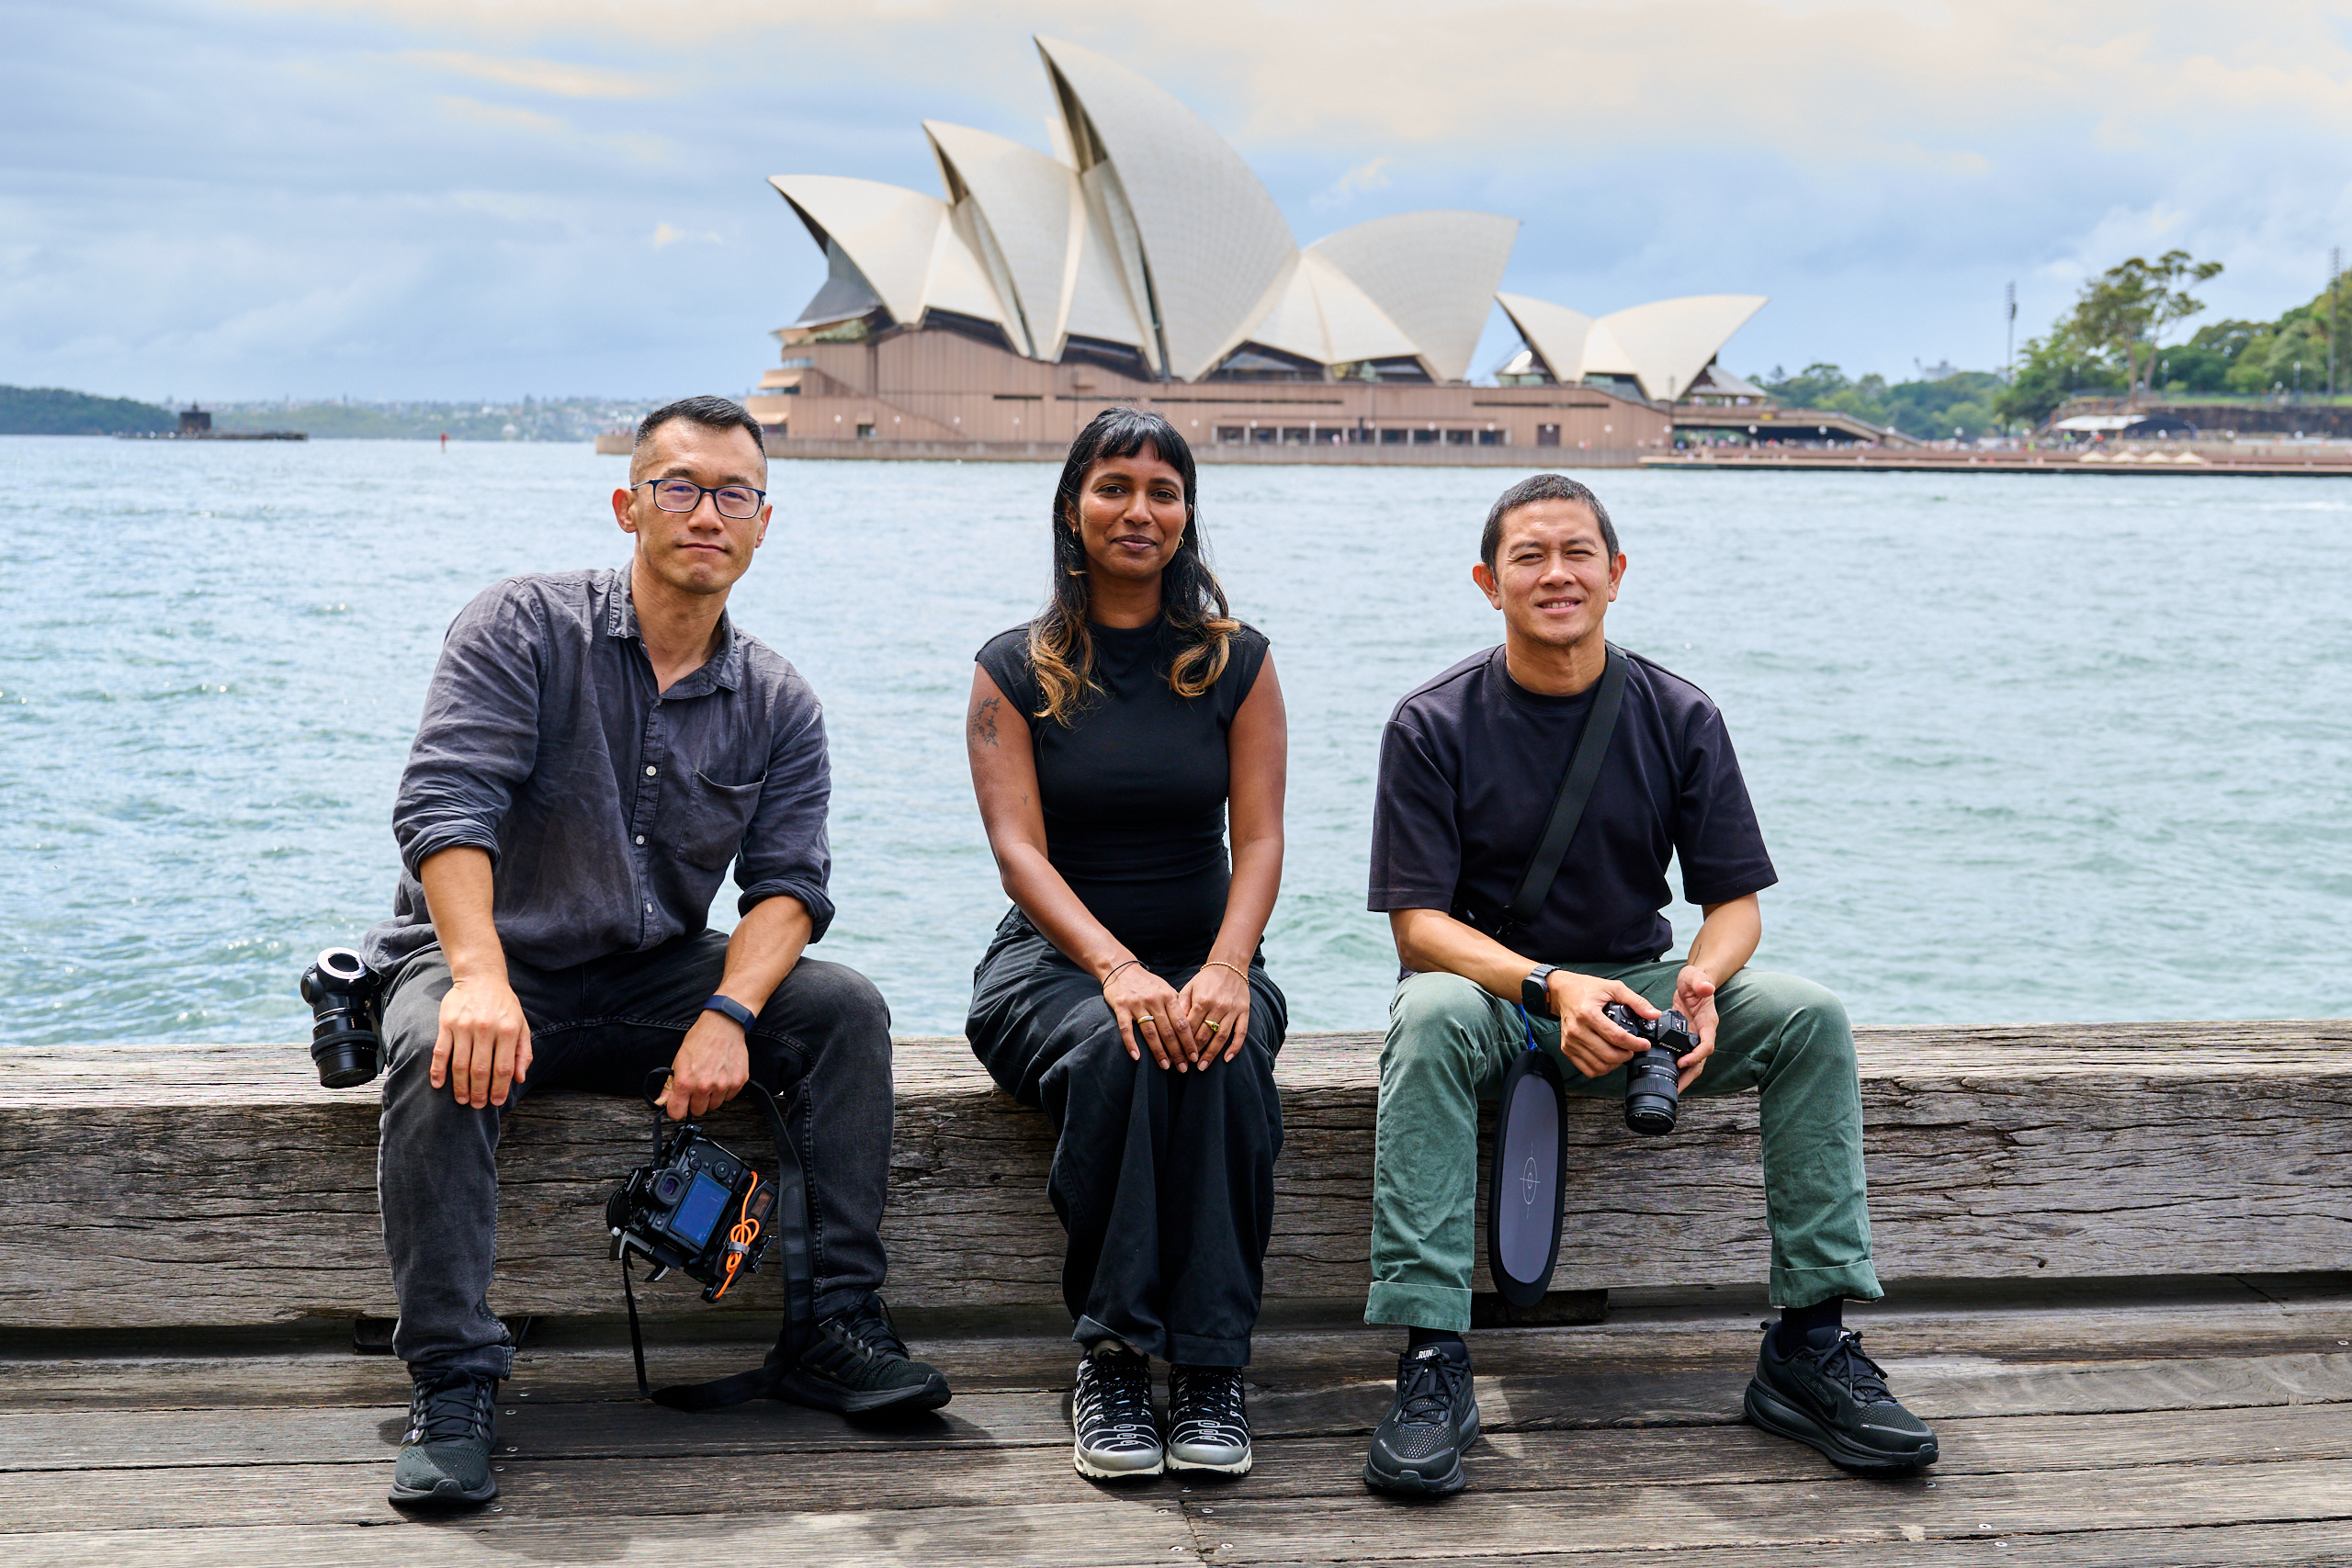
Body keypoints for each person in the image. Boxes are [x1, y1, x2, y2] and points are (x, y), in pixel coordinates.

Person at [363, 395, 950, 1511]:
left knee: (842, 1012)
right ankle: (453, 1378)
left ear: (763, 524)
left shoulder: (777, 700)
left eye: (733, 495)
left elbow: (789, 889)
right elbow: (445, 809)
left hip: (646, 975)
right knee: (439, 1037)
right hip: (496, 956)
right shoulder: (522, 627)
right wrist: (480, 979)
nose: (704, 514)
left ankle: (831, 1327)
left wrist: (726, 1015)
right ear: (629, 504)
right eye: (678, 488)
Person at [1356, 473, 1938, 1497]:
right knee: (1428, 1011)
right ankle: (1434, 1361)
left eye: (1577, 553)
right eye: (1528, 557)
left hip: (1640, 983)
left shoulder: (1676, 712)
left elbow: (1735, 905)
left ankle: (1808, 1342)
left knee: (1807, 1017)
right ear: (1488, 583)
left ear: (1616, 574)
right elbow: (1418, 929)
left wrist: (1702, 985)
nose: (1556, 574)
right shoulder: (1431, 724)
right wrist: (1548, 989)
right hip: (1501, 991)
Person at [964, 408, 1289, 1481]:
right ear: (1072, 508)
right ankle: (1111, 1355)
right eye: (1113, 487)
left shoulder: (1235, 664)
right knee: (1122, 1048)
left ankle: (1208, 1371)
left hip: (1210, 951)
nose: (1137, 510)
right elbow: (1019, 853)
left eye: (1162, 490)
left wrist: (1227, 970)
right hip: (1052, 967)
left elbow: (1262, 841)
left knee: (1225, 1054)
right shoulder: (1014, 668)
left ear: (1187, 514)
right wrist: (1114, 970)